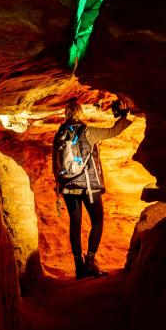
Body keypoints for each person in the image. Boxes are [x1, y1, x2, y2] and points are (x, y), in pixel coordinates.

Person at [52, 95, 133, 279]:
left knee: (75, 223)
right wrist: (123, 115)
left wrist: (59, 186)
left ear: (66, 114)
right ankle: (90, 261)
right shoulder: (87, 131)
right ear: (80, 113)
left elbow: (55, 164)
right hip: (88, 186)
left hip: (68, 186)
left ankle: (78, 266)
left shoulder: (59, 135)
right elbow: (114, 131)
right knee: (97, 221)